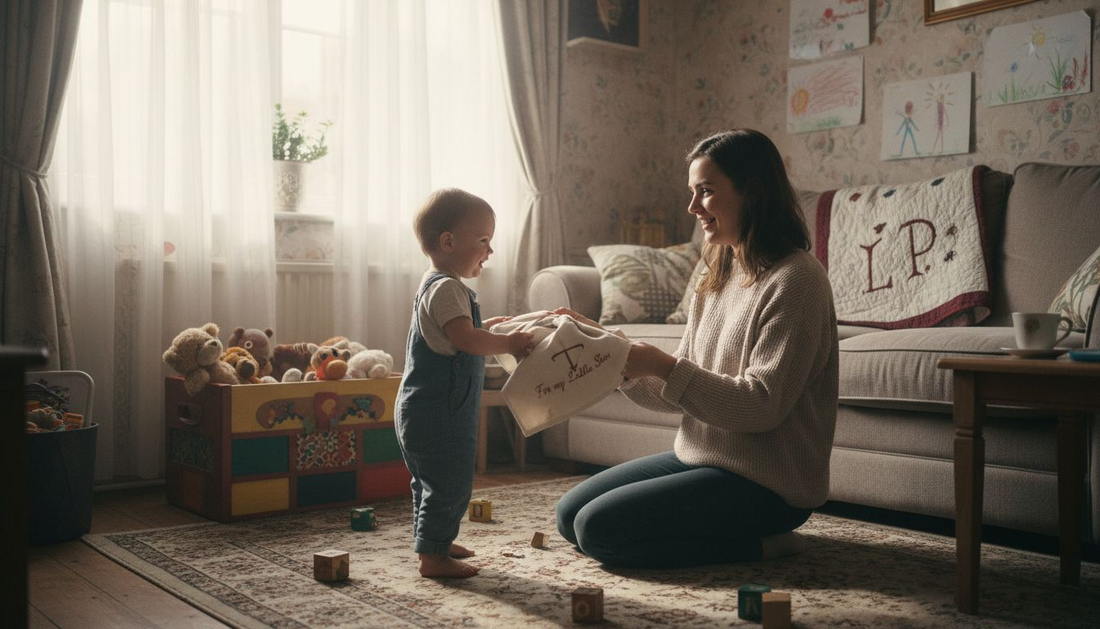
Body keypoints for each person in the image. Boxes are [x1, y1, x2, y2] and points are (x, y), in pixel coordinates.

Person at [554, 129, 839, 569]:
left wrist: (665, 367)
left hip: (770, 485)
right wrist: (614, 355)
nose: (692, 208)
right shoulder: (717, 275)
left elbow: (761, 407)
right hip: (703, 459)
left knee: (599, 532)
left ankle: (766, 544)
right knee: (568, 515)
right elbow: (677, 394)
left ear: (753, 191)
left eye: (706, 192)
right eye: (692, 192)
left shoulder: (797, 280)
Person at [396, 188, 534, 578]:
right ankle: (433, 558)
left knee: (428, 481)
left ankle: (433, 540)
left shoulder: (438, 285)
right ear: (448, 242)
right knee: (450, 481)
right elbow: (466, 340)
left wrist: (492, 328)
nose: (490, 251)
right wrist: (508, 343)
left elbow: (464, 332)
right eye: (484, 240)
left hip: (423, 406)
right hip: (439, 410)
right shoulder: (447, 288)